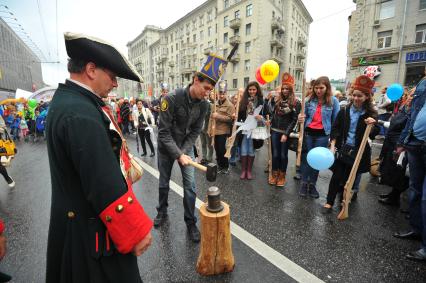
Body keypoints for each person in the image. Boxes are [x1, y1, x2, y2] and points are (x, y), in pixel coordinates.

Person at [45, 32, 153, 282]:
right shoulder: (80, 112)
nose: (115, 84)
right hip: (91, 237)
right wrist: (135, 231)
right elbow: (102, 181)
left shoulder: (72, 102)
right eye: (112, 76)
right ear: (91, 70)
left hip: (78, 226)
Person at [153, 54, 226, 242]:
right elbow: (163, 133)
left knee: (191, 187)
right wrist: (177, 154)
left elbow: (195, 132)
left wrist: (183, 152)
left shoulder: (204, 106)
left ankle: (190, 222)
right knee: (164, 182)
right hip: (166, 148)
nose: (207, 93)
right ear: (195, 80)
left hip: (186, 149)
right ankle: (162, 211)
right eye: (206, 88)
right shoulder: (170, 99)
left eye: (211, 90)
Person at [322, 75, 379, 212]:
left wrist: (372, 124)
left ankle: (344, 201)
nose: (356, 99)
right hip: (343, 149)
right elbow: (335, 128)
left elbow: (374, 133)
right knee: (336, 176)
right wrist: (333, 143)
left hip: (358, 151)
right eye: (354, 95)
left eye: (359, 96)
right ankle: (329, 202)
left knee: (350, 178)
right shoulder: (345, 110)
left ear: (366, 97)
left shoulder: (371, 113)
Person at [395, 75, 426, 262]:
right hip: (415, 145)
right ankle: (417, 229)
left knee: (425, 199)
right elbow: (413, 113)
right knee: (414, 192)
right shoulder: (423, 82)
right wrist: (402, 141)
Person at [298, 76, 340, 198]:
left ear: (327, 87)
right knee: (306, 159)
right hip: (308, 133)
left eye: (321, 88)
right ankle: (304, 183)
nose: (318, 90)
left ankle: (312, 185)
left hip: (322, 135)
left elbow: (335, 122)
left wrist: (333, 140)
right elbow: (302, 116)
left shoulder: (333, 101)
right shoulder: (309, 100)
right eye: (316, 88)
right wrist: (300, 118)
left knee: (317, 162)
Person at [267, 73, 300, 187]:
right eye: (283, 88)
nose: (285, 90)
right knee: (275, 154)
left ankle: (282, 176)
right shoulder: (277, 101)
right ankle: (274, 174)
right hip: (274, 130)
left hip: (285, 132)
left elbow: (294, 120)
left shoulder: (296, 102)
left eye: (287, 88)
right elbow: (272, 114)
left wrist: (286, 133)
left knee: (283, 155)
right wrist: (270, 101)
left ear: (291, 89)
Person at [237, 81, 264, 180]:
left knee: (251, 148)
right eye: (250, 89)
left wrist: (261, 117)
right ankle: (243, 170)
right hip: (244, 128)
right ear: (247, 90)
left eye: (254, 89)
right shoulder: (243, 101)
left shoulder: (261, 101)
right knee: (244, 148)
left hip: (255, 128)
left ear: (257, 90)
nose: (252, 91)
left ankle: (249, 171)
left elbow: (266, 115)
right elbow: (239, 115)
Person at [209, 80, 235, 174]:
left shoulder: (230, 105)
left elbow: (230, 119)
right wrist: (209, 130)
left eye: (223, 93)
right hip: (215, 130)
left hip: (223, 131)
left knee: (221, 149)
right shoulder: (215, 104)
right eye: (220, 93)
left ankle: (225, 166)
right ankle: (220, 165)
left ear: (226, 93)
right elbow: (211, 119)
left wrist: (218, 116)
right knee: (217, 149)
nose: (222, 95)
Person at [200, 91, 214, 165]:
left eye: (206, 96)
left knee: (209, 144)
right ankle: (204, 157)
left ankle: (209, 157)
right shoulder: (199, 104)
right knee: (203, 143)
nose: (204, 97)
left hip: (207, 127)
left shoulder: (210, 105)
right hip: (200, 128)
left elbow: (210, 116)